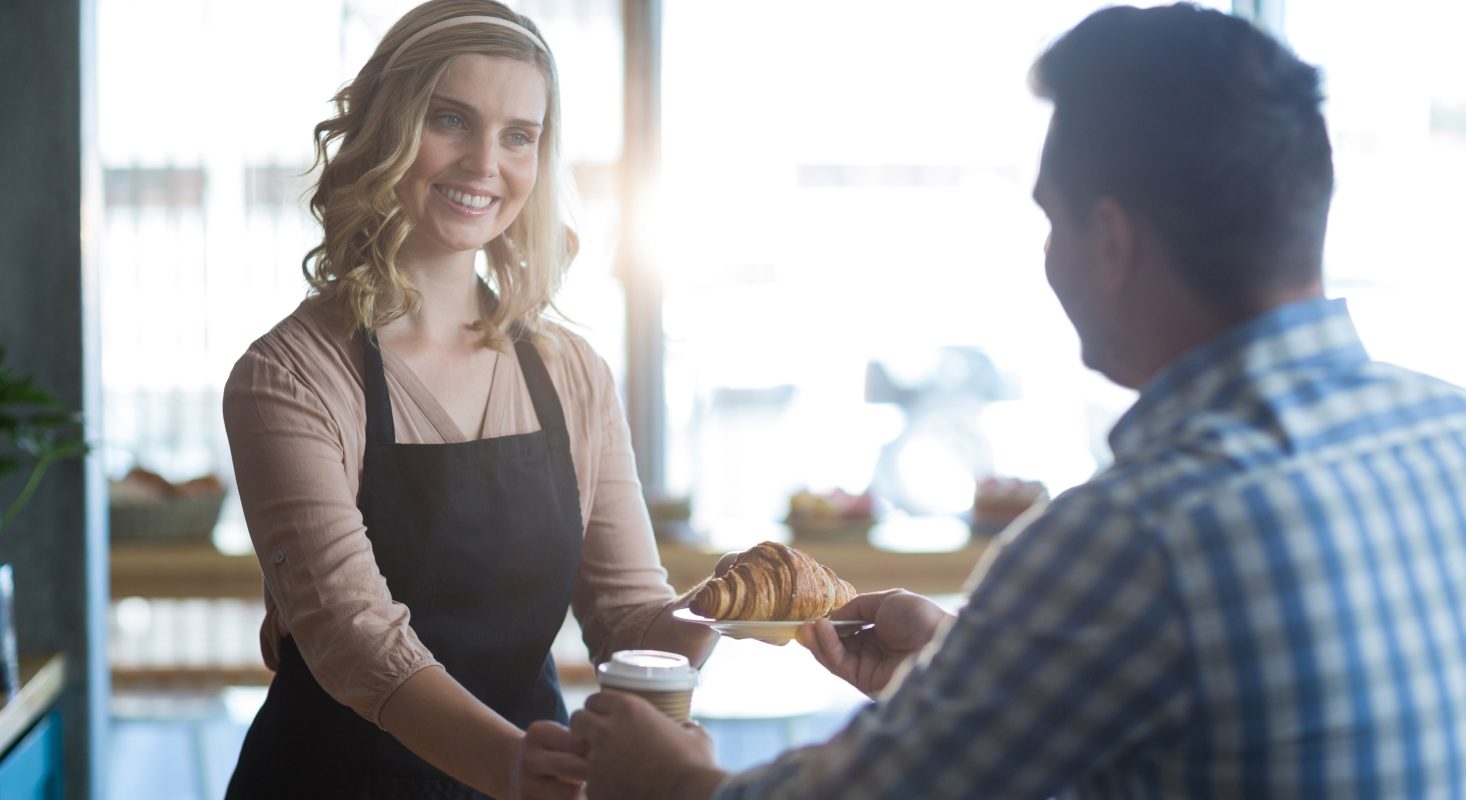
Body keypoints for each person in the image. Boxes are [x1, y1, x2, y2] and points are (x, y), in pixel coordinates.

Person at [566, 4, 1466, 798]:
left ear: (1111, 242)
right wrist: (958, 668)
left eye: (1050, 219)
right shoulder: (1445, 433)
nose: (1047, 256)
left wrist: (676, 785)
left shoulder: (1130, 535)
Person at [220, 2, 715, 797]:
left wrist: (728, 609)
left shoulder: (571, 371)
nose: (488, 162)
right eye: (452, 120)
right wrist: (509, 765)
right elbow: (353, 637)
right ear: (389, 129)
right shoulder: (291, 375)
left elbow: (629, 619)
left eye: (520, 134)